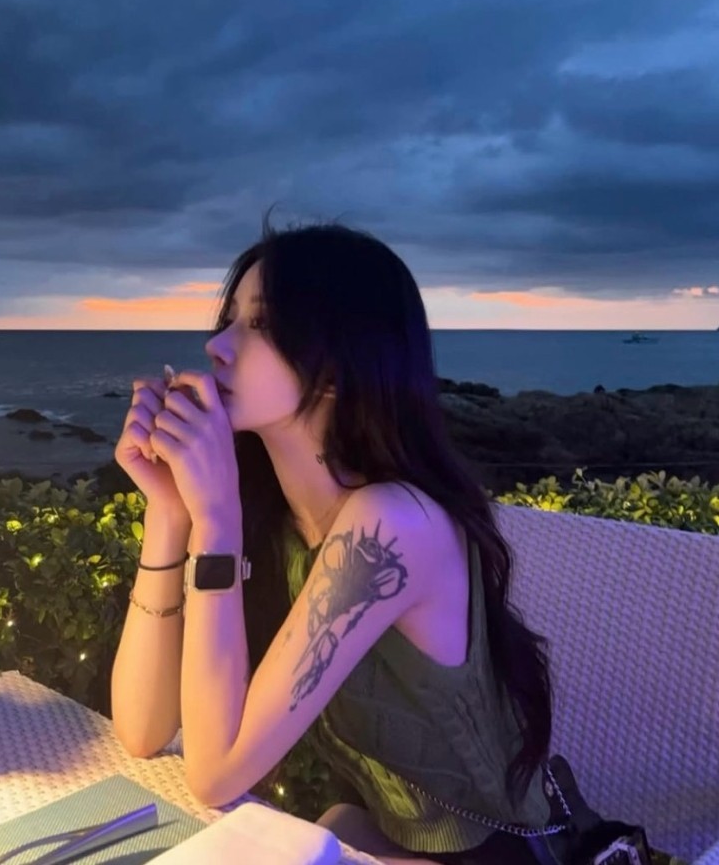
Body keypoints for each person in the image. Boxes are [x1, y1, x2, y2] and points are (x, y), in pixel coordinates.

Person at [110, 221, 565, 864]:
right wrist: (169, 511)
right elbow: (142, 729)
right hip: (381, 840)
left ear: (335, 367)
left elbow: (213, 775)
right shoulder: (279, 516)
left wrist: (215, 521)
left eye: (261, 325)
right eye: (230, 319)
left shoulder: (392, 525)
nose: (217, 345)